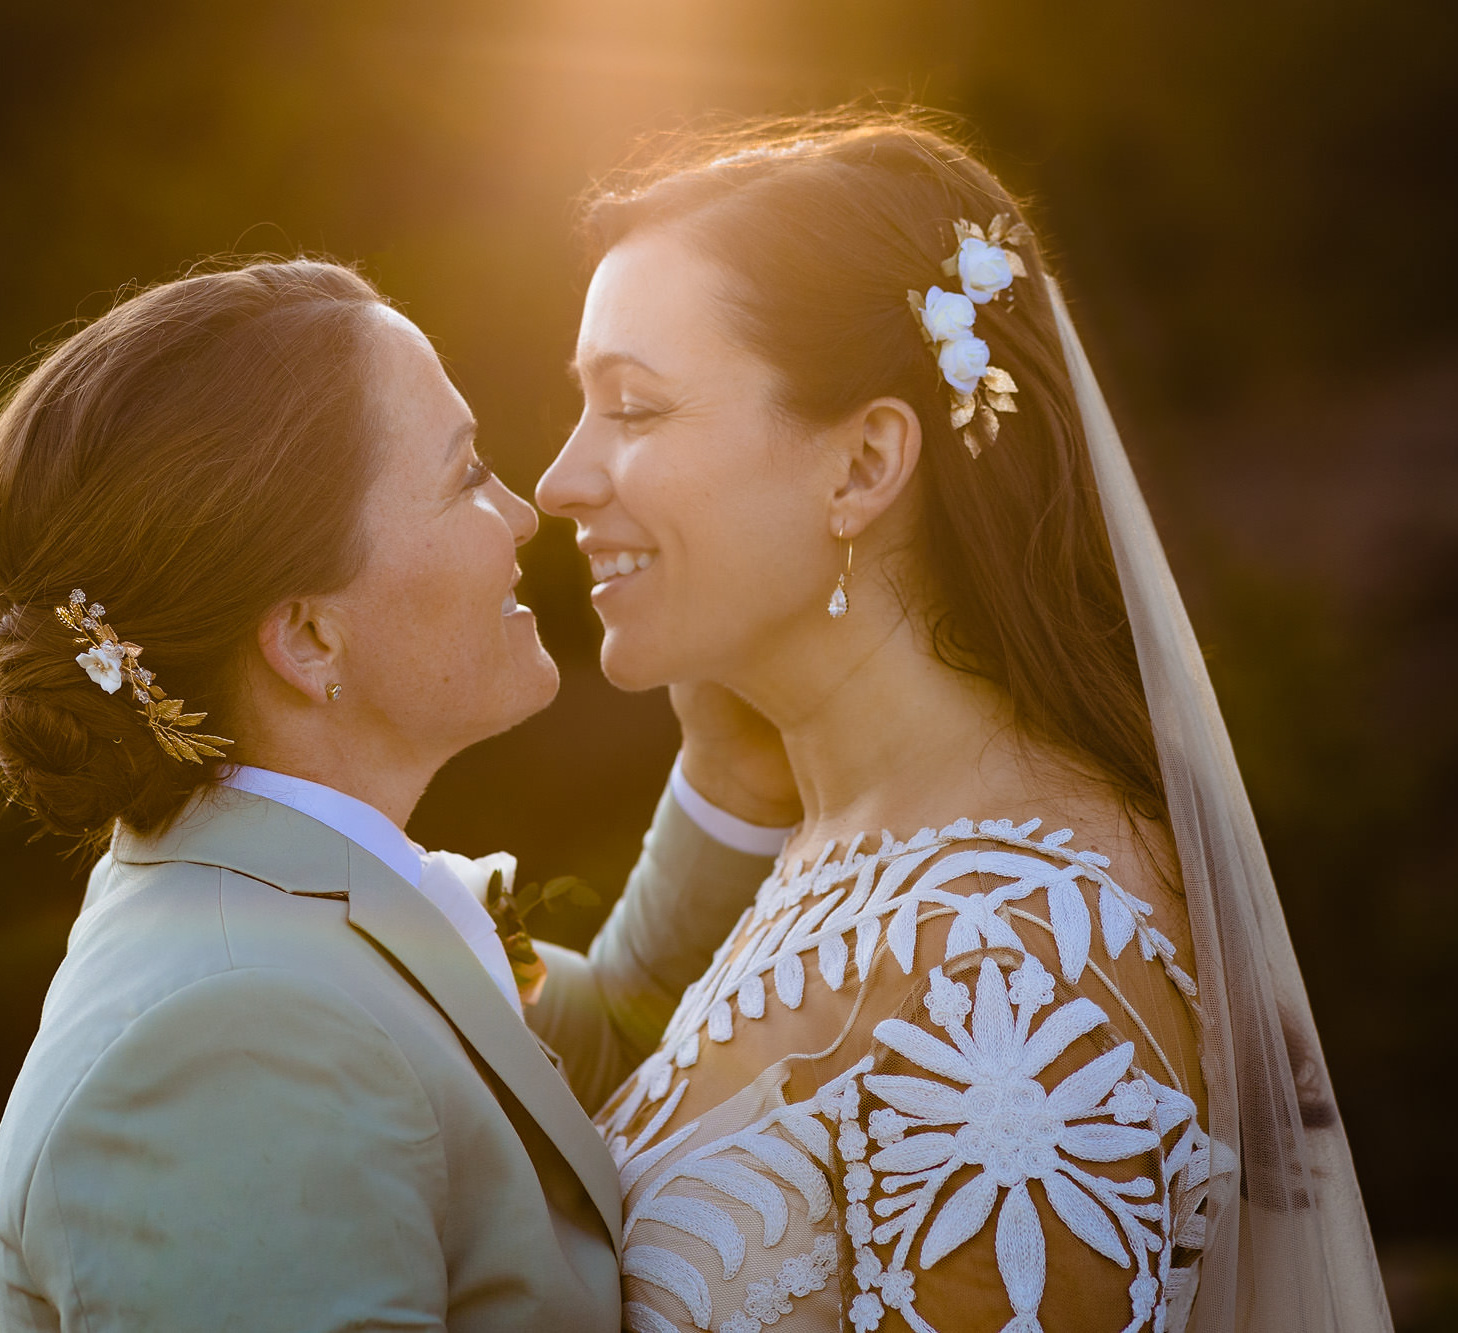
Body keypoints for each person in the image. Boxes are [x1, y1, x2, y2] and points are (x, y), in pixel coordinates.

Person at [536, 112, 1391, 1333]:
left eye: (633, 409)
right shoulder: (839, 844)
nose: (559, 478)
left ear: (862, 465)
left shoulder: (1015, 965)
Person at [0, 259, 793, 1331]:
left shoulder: (307, 913)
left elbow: (631, 1052)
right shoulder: (229, 1047)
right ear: (309, 638)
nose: (523, 511)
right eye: (464, 475)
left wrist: (735, 773)